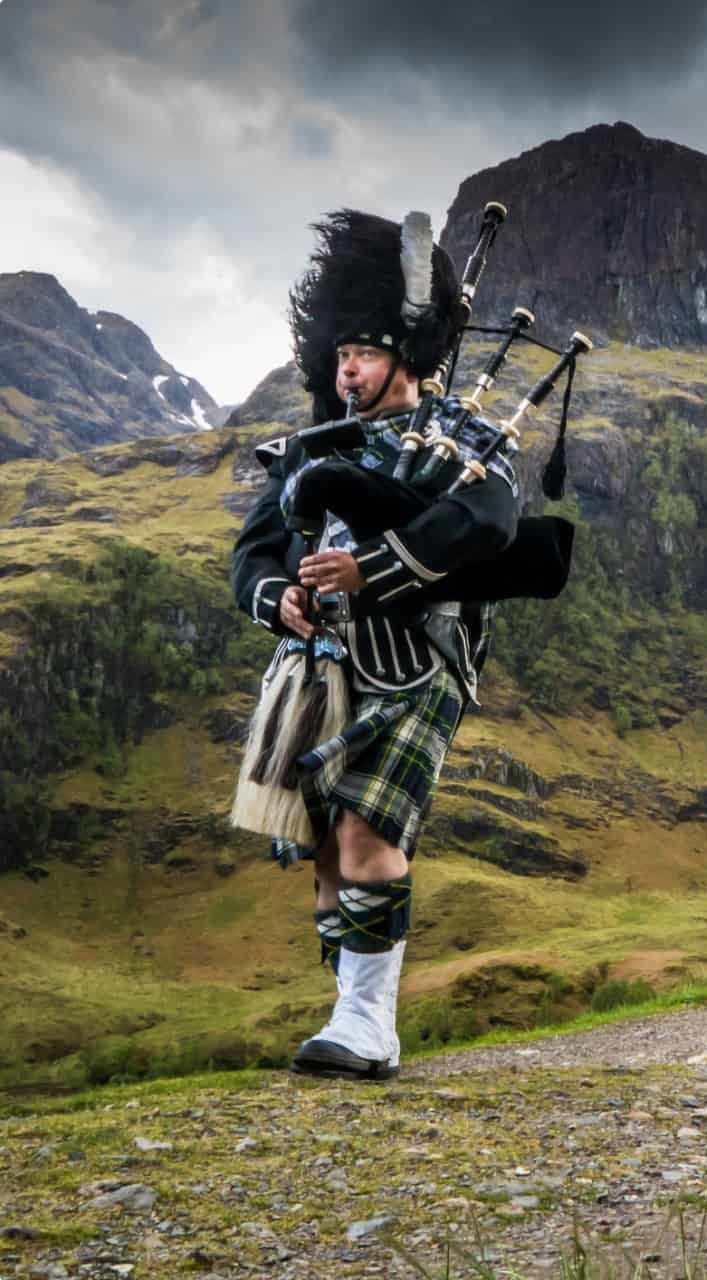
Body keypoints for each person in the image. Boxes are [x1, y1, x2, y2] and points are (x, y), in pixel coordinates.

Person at [229, 209, 518, 1080]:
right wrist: (280, 598)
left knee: (365, 830)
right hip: (316, 666)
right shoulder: (307, 448)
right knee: (321, 842)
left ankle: (368, 1025)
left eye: (360, 350)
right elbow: (252, 554)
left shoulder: (466, 442)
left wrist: (372, 573)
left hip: (416, 658)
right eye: (338, 353)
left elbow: (488, 522)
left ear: (403, 351)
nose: (343, 367)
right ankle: (353, 1009)